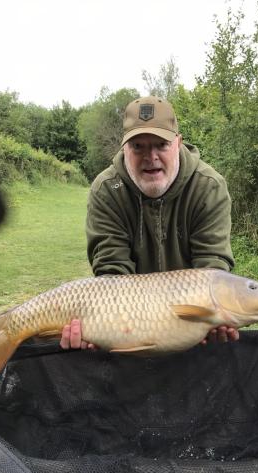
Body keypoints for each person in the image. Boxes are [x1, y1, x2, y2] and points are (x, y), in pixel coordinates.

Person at [60, 95, 238, 350]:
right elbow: (112, 273)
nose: (150, 156)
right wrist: (103, 330)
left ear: (178, 143)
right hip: (128, 324)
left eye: (161, 145)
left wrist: (214, 316)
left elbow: (212, 270)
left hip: (192, 331)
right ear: (124, 149)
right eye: (138, 146)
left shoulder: (208, 186)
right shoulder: (107, 189)